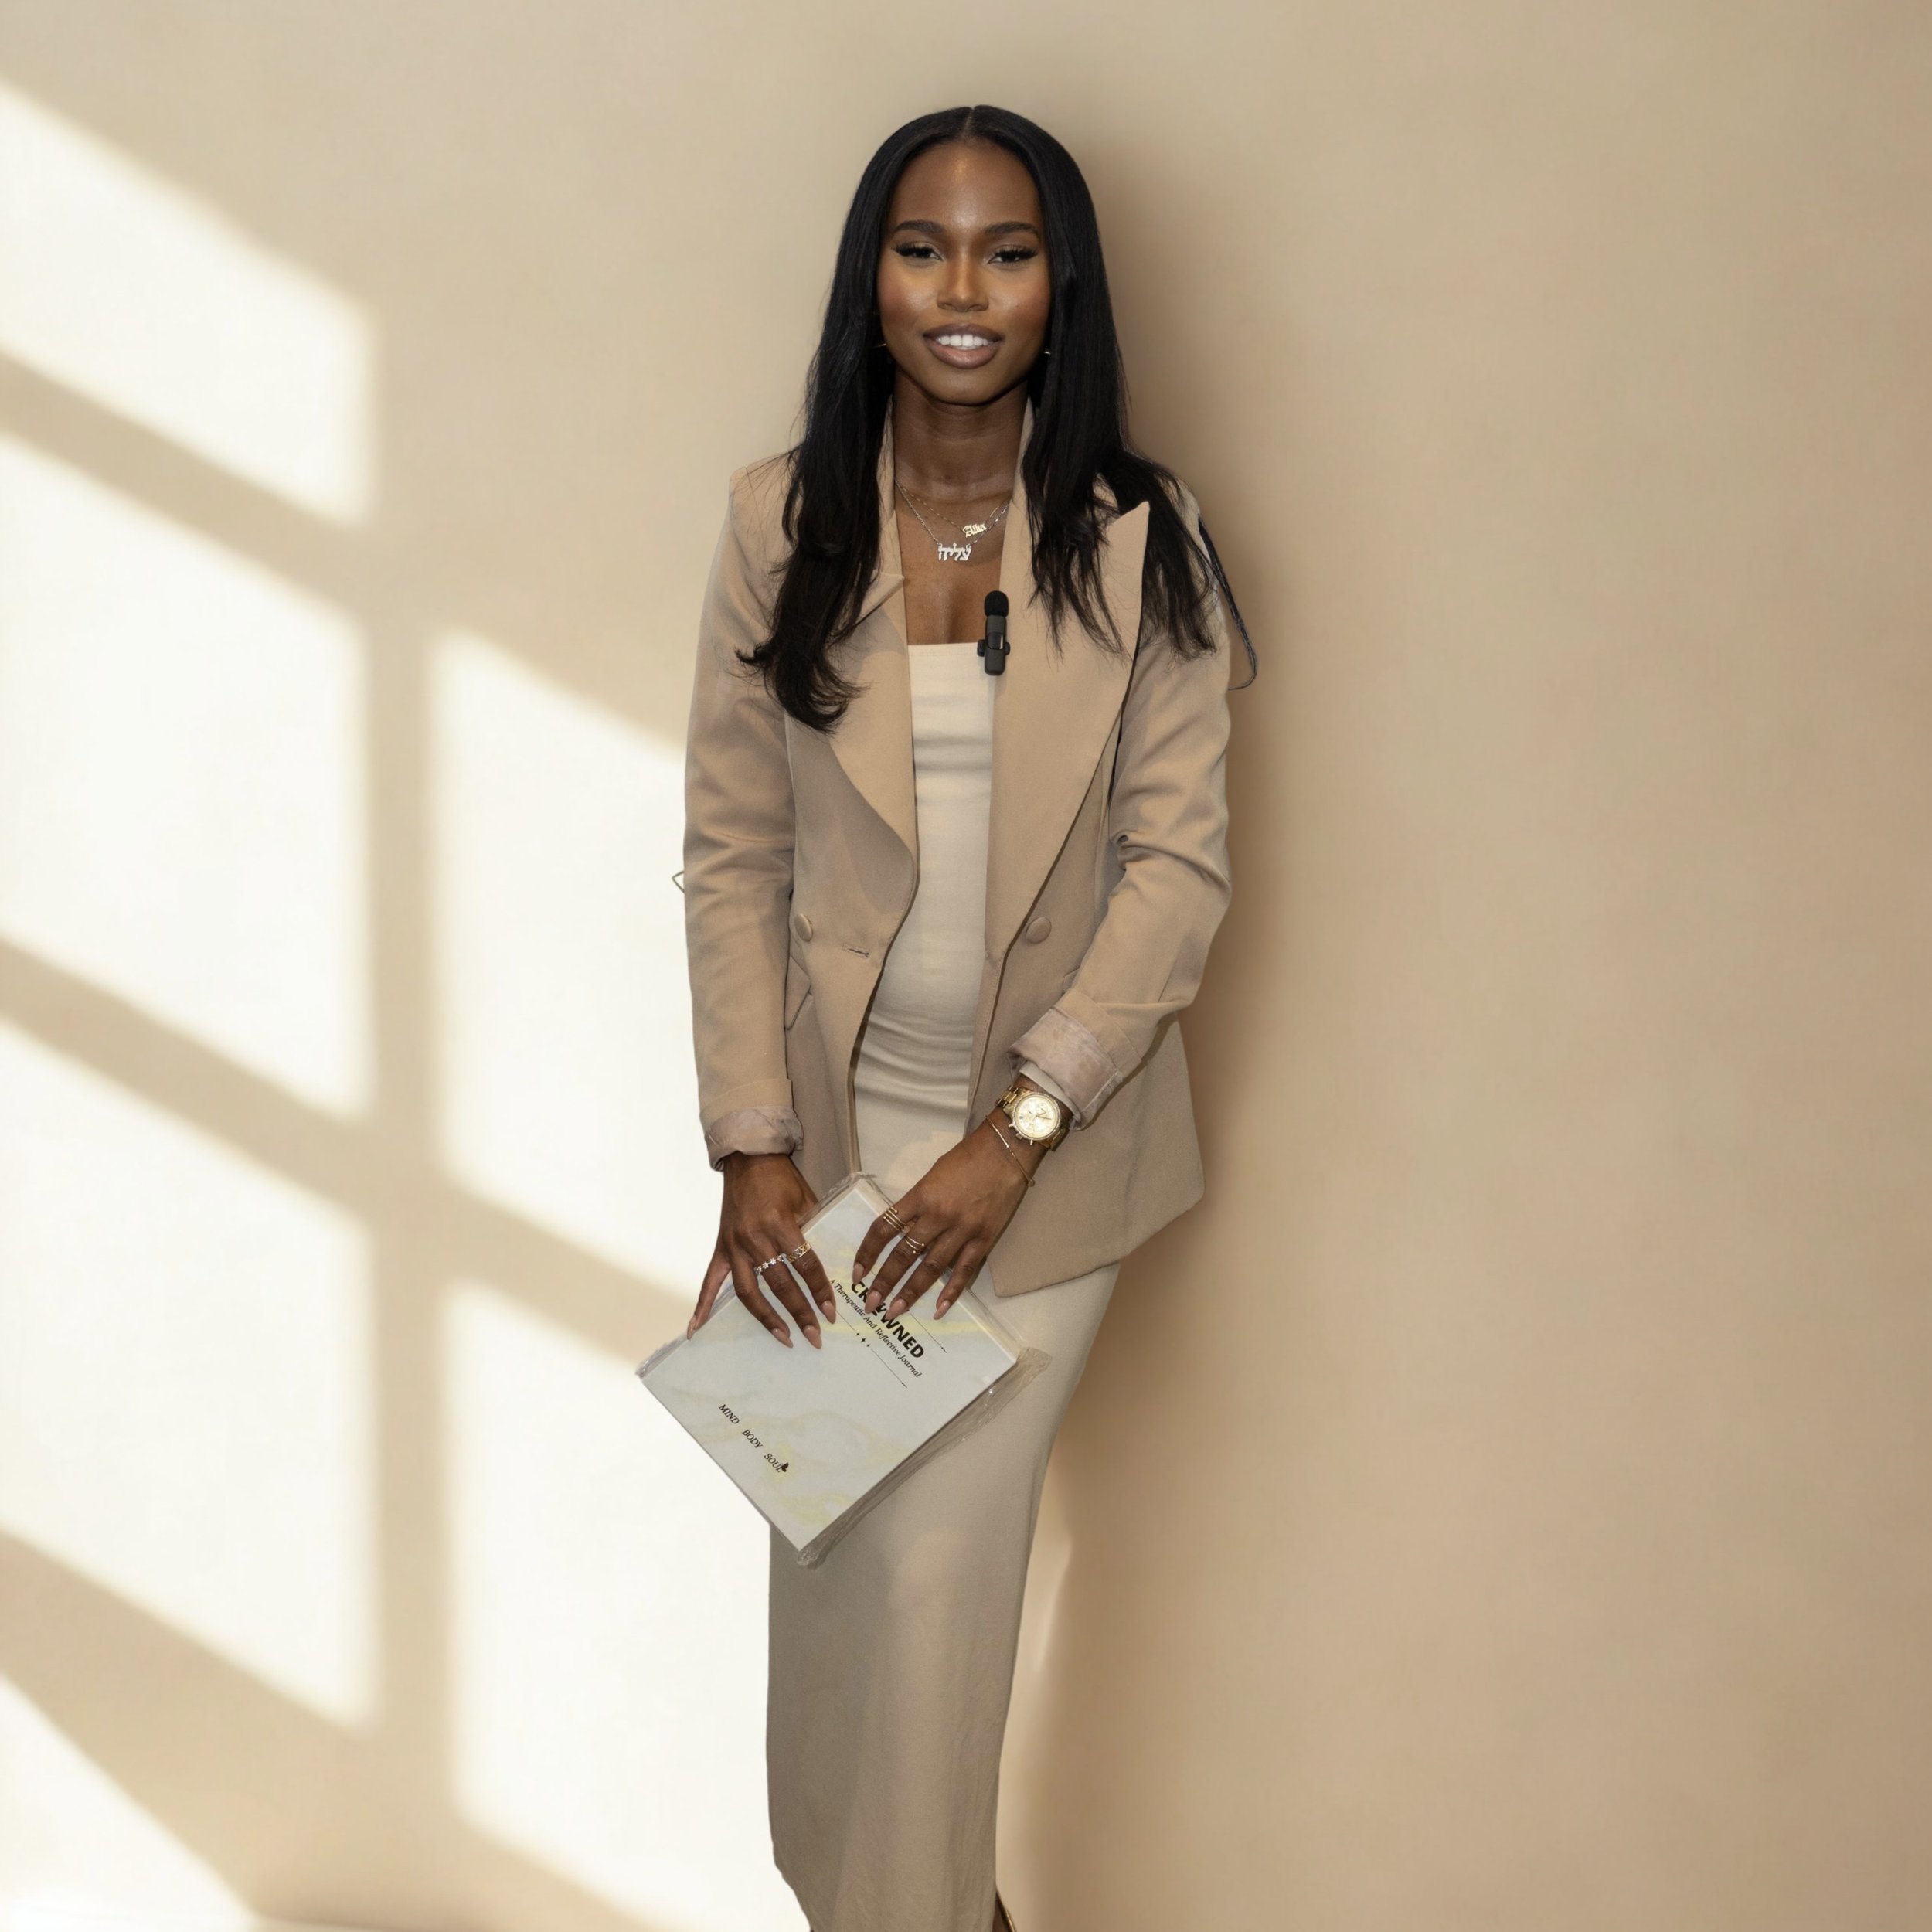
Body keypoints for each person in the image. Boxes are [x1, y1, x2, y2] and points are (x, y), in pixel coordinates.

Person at [679, 102, 1253, 1932]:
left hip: (1046, 1181)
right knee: (839, 1603)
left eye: (1005, 252)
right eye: (922, 245)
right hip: (838, 1177)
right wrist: (750, 1154)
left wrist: (1016, 1135)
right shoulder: (781, 519)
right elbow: (730, 856)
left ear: (1057, 288)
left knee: (933, 1598)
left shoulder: (1142, 542)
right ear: (870, 277)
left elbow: (1178, 876)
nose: (960, 288)